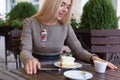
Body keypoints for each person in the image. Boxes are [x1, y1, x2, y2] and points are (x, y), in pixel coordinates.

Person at [20, 0, 117, 75]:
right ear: (51, 4)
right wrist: (29, 59)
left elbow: (78, 50)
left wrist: (94, 58)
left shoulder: (65, 26)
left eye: (68, 6)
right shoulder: (30, 23)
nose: (65, 10)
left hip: (58, 71)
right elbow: (25, 50)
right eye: (62, 5)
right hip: (35, 70)